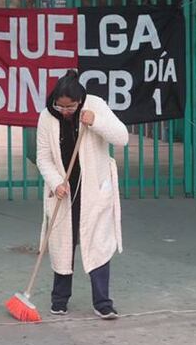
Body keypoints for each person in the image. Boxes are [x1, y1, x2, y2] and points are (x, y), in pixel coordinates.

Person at [35, 70, 129, 319]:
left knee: (97, 242)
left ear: (79, 101)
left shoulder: (95, 105)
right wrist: (56, 182)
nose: (65, 110)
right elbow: (43, 157)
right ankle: (59, 299)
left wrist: (95, 121)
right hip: (63, 190)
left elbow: (122, 137)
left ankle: (102, 302)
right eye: (61, 105)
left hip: (93, 189)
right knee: (62, 244)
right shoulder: (46, 117)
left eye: (71, 106)